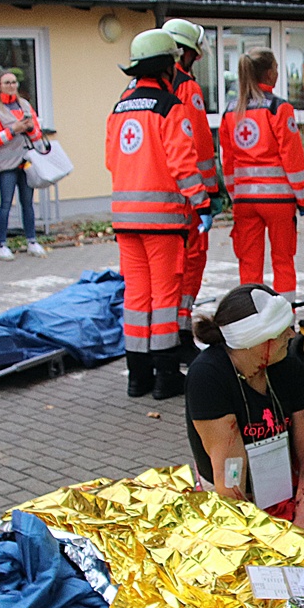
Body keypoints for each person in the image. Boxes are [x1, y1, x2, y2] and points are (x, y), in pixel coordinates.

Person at [186, 285, 304, 544]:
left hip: (288, 465)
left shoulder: (286, 365)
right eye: (282, 330)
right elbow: (231, 478)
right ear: (257, 340)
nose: (292, 333)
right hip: (248, 490)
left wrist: (303, 523)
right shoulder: (208, 376)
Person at [106, 29, 209, 400]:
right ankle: (166, 377)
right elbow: (183, 164)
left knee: (136, 298)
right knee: (165, 297)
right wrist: (203, 203)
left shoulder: (119, 108)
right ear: (168, 67)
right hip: (164, 222)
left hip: (125, 220)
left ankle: (137, 378)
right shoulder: (169, 107)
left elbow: (110, 161)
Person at [220, 48, 304, 300]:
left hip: (245, 202)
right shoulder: (278, 109)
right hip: (279, 201)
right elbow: (292, 158)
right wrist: (302, 198)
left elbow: (227, 161)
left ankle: (251, 319)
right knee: (283, 262)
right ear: (269, 73)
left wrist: (235, 194)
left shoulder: (231, 111)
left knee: (248, 265)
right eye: (277, 68)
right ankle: (284, 323)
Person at [162, 19, 224, 364]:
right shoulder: (186, 88)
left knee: (163, 275)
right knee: (189, 265)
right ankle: (181, 335)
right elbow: (199, 143)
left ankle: (165, 340)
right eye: (194, 55)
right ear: (182, 53)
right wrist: (209, 192)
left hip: (155, 197)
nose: (196, 62)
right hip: (187, 197)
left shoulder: (135, 91)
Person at [0, 68, 46, 262]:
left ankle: (31, 241)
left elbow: (37, 134)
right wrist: (13, 130)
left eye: (14, 82)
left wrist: (31, 128)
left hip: (26, 160)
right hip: (6, 162)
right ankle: (1, 244)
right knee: (6, 204)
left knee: (28, 202)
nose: (12, 86)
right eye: (7, 82)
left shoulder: (25, 105)